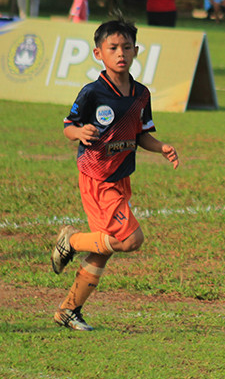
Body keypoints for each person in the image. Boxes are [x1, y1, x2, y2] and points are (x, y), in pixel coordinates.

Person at [52, 18, 180, 331]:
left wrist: (161, 146)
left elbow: (141, 135)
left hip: (121, 176)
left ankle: (69, 310)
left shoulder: (140, 94)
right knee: (131, 239)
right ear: (99, 53)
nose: (120, 53)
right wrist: (79, 131)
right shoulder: (93, 92)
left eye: (126, 47)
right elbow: (68, 127)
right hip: (97, 178)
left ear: (136, 51)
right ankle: (71, 239)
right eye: (113, 48)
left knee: (105, 248)